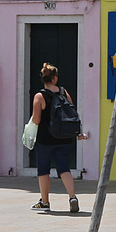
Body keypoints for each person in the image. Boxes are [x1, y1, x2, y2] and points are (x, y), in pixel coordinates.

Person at [24, 63, 87, 212]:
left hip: (45, 139)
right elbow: (73, 114)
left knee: (43, 170)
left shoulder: (39, 96)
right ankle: (72, 196)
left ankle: (45, 201)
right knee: (64, 168)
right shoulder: (64, 93)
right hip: (64, 138)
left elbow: (37, 120)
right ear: (55, 78)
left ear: (43, 79)